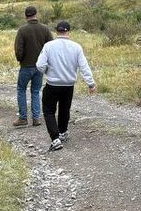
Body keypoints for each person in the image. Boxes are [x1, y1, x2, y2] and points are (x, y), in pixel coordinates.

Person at [35, 19, 96, 151]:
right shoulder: (76, 47)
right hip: (68, 85)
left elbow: (39, 65)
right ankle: (62, 132)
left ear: (56, 31)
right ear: (68, 31)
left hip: (52, 84)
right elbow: (84, 67)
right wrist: (91, 83)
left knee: (49, 111)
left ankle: (55, 138)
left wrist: (47, 71)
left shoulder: (48, 46)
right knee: (64, 109)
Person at [13, 5, 53, 128]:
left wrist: (20, 59)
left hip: (26, 65)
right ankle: (36, 118)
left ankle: (23, 118)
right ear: (36, 14)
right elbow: (50, 47)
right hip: (40, 67)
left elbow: (18, 49)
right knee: (35, 91)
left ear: (26, 16)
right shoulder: (45, 29)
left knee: (21, 90)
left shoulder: (22, 30)